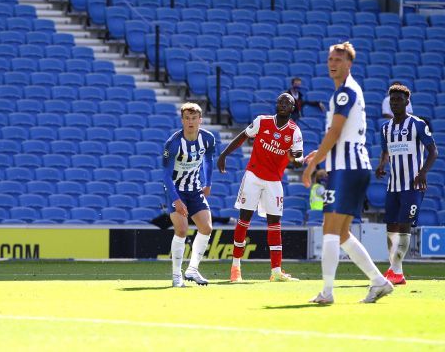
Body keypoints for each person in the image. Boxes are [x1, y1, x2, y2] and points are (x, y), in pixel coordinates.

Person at [302, 41, 394, 304]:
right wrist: (319, 154)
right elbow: (342, 136)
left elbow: (335, 132)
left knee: (330, 230)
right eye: (331, 59)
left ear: (349, 64)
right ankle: (378, 281)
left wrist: (313, 165)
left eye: (338, 60)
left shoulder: (344, 93)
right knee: (340, 233)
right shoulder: (349, 91)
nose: (333, 63)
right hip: (352, 165)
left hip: (347, 168)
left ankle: (327, 292)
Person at [217, 93, 303, 283]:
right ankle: (235, 268)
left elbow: (297, 159)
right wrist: (224, 154)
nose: (282, 104)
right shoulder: (262, 121)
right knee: (244, 220)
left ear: (292, 108)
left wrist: (295, 160)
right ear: (276, 105)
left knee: (275, 225)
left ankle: (276, 272)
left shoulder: (295, 132)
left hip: (274, 181)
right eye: (280, 101)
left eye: (287, 102)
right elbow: (242, 137)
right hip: (253, 177)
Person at [376, 84, 438, 285]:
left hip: (412, 186)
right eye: (392, 100)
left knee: (404, 226)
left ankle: (396, 270)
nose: (394, 103)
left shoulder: (418, 124)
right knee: (391, 227)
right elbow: (386, 151)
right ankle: (396, 270)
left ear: (407, 102)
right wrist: (381, 165)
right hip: (393, 185)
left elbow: (433, 151)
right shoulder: (386, 128)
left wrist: (422, 173)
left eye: (398, 100)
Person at [162, 103, 216, 288]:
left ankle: (192, 269)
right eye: (187, 118)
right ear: (182, 120)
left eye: (194, 118)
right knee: (182, 229)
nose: (191, 122)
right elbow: (166, 175)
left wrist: (208, 182)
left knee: (207, 227)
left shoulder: (208, 138)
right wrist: (176, 199)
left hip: (194, 188)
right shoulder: (173, 143)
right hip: (175, 189)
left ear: (200, 120)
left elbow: (208, 160)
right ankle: (177, 276)